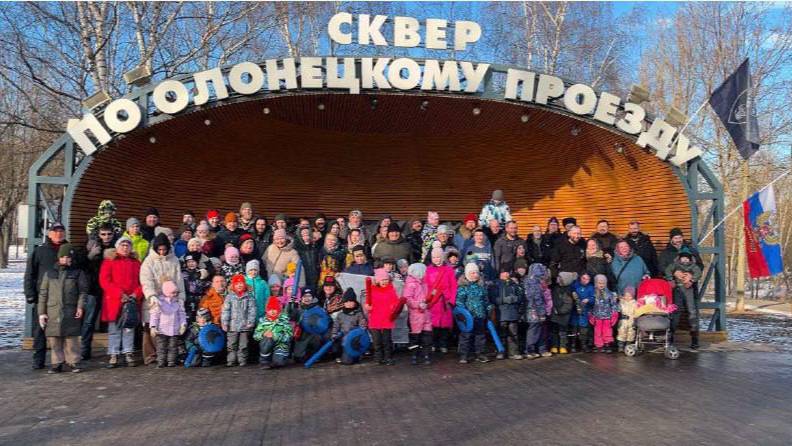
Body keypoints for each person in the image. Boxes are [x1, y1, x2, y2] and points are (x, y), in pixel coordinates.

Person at [25, 222, 69, 369]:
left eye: (61, 231)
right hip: (43, 296)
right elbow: (30, 273)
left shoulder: (69, 250)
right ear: (49, 234)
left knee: (63, 328)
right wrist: (30, 293)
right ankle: (39, 359)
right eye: (55, 231)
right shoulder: (40, 251)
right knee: (40, 329)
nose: (59, 234)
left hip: (64, 297)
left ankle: (64, 359)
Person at [37, 243, 88, 373]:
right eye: (63, 257)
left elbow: (83, 292)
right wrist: (41, 312)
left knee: (71, 338)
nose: (66, 259)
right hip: (53, 310)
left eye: (68, 257)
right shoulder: (50, 273)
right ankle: (57, 363)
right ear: (59, 258)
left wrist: (80, 307)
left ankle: (74, 362)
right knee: (54, 339)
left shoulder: (78, 273)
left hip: (70, 309)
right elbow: (43, 293)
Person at [140, 232, 185, 365]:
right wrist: (151, 295)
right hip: (154, 297)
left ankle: (166, 356)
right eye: (159, 249)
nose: (162, 252)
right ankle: (150, 355)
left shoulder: (174, 260)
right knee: (150, 325)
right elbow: (146, 280)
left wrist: (181, 297)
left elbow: (179, 280)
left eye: (164, 249)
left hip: (171, 298)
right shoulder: (149, 261)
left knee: (169, 327)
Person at [99, 236, 144, 368]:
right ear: (117, 247)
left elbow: (142, 281)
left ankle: (128, 352)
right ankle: (113, 353)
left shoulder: (136, 263)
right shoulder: (109, 261)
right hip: (114, 300)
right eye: (122, 245)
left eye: (127, 245)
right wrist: (119, 294)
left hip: (131, 299)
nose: (125, 248)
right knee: (114, 329)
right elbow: (104, 281)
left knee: (129, 328)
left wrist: (136, 294)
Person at [83, 222, 117, 359]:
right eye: (103, 234)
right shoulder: (92, 246)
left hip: (111, 288)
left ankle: (114, 350)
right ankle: (85, 349)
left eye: (109, 234)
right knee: (89, 320)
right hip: (94, 288)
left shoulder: (117, 247)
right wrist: (90, 256)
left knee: (113, 319)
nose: (106, 237)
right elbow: (82, 265)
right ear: (99, 234)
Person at [665, 248, 703, 349]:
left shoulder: (693, 266)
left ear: (690, 259)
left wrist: (692, 280)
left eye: (687, 258)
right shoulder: (675, 265)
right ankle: (670, 336)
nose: (685, 260)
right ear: (679, 258)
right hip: (677, 289)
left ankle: (694, 338)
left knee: (692, 312)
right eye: (683, 258)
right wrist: (670, 279)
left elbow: (698, 273)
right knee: (675, 311)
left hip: (688, 289)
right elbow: (668, 270)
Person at [456, 263, 492, 364]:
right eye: (472, 273)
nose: (475, 275)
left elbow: (486, 301)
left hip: (480, 316)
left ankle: (480, 354)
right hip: (468, 318)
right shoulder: (463, 288)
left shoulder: (481, 287)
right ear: (467, 274)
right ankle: (464, 355)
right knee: (466, 336)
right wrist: (465, 313)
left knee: (480, 336)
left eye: (476, 273)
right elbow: (459, 302)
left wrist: (489, 308)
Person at [425, 247, 457, 353]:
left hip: (445, 301)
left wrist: (452, 300)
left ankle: (443, 344)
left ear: (442, 257)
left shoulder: (449, 269)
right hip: (434, 301)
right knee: (433, 324)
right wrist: (427, 299)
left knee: (445, 325)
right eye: (434, 257)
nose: (436, 259)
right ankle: (434, 344)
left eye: (438, 257)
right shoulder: (428, 269)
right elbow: (426, 285)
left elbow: (453, 286)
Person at [365, 268, 400, 365]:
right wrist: (367, 306)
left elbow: (396, 302)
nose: (384, 282)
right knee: (377, 341)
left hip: (386, 319)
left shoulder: (391, 289)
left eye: (386, 279)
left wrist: (393, 306)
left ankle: (388, 357)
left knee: (386, 340)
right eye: (382, 280)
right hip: (375, 319)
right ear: (377, 281)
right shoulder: (372, 290)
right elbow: (368, 302)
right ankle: (378, 358)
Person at [221, 274, 257, 367]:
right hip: (232, 326)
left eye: (241, 283)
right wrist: (225, 323)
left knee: (243, 345)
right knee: (231, 344)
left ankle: (242, 360)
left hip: (245, 326)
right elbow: (226, 310)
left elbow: (252, 310)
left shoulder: (249, 297)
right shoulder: (229, 297)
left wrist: (250, 322)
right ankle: (231, 360)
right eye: (237, 284)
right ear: (233, 285)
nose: (239, 285)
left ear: (245, 284)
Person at [150, 280, 187, 368]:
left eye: (176, 292)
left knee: (173, 347)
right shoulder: (159, 302)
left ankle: (171, 362)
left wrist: (183, 324)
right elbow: (154, 315)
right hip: (162, 330)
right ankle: (161, 362)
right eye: (173, 292)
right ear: (166, 292)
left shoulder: (178, 302)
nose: (175, 294)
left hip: (174, 330)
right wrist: (153, 326)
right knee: (161, 347)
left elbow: (182, 314)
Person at [403, 263, 432, 365]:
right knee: (415, 337)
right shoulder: (411, 284)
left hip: (426, 314)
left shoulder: (424, 283)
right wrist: (418, 304)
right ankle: (414, 355)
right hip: (416, 315)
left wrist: (428, 303)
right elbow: (408, 299)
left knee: (427, 336)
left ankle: (426, 354)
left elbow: (429, 296)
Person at [492, 269, 525, 360]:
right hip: (501, 313)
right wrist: (503, 300)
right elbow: (492, 298)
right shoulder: (495, 285)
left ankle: (513, 352)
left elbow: (521, 296)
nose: (506, 274)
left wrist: (514, 299)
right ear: (500, 274)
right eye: (504, 272)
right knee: (502, 333)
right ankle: (501, 351)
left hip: (512, 312)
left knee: (513, 333)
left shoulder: (514, 285)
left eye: (507, 272)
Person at [254, 296, 293, 369]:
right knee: (267, 340)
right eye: (270, 309)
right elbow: (255, 335)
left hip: (280, 345)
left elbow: (289, 336)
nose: (272, 311)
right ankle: (264, 361)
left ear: (278, 309)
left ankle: (278, 359)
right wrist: (263, 334)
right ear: (267, 310)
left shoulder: (284, 321)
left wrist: (275, 336)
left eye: (274, 309)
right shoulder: (263, 321)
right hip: (267, 344)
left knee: (278, 362)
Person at [523, 263, 552, 358]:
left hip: (531, 309)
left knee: (537, 329)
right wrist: (542, 313)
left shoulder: (528, 281)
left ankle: (536, 349)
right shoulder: (534, 283)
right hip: (535, 310)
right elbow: (537, 299)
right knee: (535, 329)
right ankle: (530, 350)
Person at [331, 289, 368, 365]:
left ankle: (356, 355)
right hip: (342, 338)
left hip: (353, 340)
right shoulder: (340, 315)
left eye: (351, 301)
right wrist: (334, 334)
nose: (349, 303)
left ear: (355, 302)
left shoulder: (358, 314)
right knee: (335, 345)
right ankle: (339, 355)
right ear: (344, 303)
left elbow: (363, 327)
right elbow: (336, 326)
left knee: (348, 361)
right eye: (347, 302)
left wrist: (354, 334)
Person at [291, 289, 326, 363]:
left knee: (317, 339)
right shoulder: (298, 308)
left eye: (309, 296)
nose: (307, 298)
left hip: (313, 334)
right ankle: (301, 353)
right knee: (298, 358)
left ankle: (315, 354)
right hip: (301, 335)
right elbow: (290, 317)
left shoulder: (318, 309)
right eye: (304, 296)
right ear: (301, 298)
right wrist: (290, 306)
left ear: (313, 297)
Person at [590, 274, 619, 353]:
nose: (601, 285)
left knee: (607, 330)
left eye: (603, 283)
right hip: (597, 316)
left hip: (607, 316)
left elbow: (614, 304)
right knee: (597, 331)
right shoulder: (593, 293)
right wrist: (591, 315)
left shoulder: (609, 293)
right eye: (599, 283)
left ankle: (607, 344)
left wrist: (614, 314)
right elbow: (591, 305)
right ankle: (599, 345)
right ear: (596, 283)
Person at [549, 273, 575, 354]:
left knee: (563, 332)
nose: (557, 278)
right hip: (554, 313)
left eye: (559, 277)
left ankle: (563, 346)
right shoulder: (555, 288)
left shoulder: (568, 291)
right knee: (554, 331)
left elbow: (568, 304)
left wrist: (560, 311)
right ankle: (554, 346)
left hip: (563, 315)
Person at [569, 273, 595, 353]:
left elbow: (594, 298)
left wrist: (588, 300)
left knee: (584, 329)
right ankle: (572, 345)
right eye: (584, 278)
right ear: (580, 278)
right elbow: (569, 293)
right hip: (575, 311)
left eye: (587, 279)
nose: (585, 280)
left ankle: (583, 345)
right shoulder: (575, 285)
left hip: (585, 311)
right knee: (574, 329)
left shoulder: (591, 287)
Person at [181, 253, 210, 324]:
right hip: (188, 299)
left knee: (200, 316)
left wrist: (203, 278)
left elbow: (206, 284)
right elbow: (190, 287)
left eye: (193, 262)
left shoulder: (201, 272)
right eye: (189, 262)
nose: (191, 264)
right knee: (188, 317)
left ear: (197, 263)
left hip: (200, 299)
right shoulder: (184, 273)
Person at [616, 286, 637, 352]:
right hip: (623, 321)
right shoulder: (621, 302)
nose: (627, 297)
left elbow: (636, 312)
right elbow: (618, 310)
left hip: (631, 321)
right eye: (626, 296)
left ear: (633, 296)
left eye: (629, 296)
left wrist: (635, 320)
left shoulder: (635, 303)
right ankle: (620, 346)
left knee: (631, 334)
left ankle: (628, 346)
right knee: (621, 333)